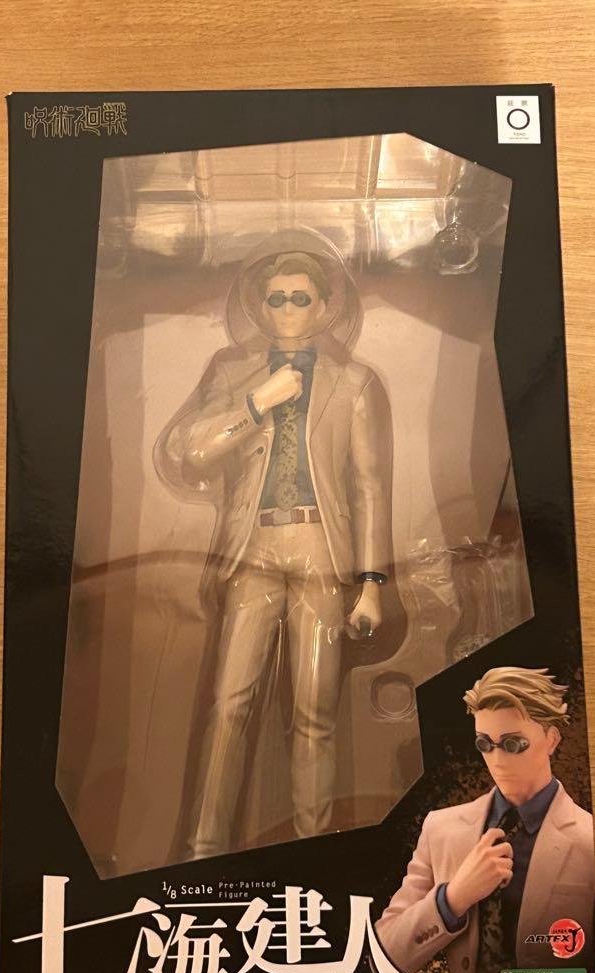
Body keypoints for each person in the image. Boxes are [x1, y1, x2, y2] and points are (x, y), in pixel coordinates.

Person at [161, 245, 393, 860]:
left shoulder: (354, 383)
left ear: (324, 307)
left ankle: (312, 847)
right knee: (228, 704)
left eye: (300, 298)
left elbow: (370, 487)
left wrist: (371, 583)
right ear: (260, 308)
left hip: (322, 549)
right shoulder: (232, 374)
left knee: (316, 711)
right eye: (276, 299)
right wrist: (256, 401)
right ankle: (203, 848)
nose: (287, 309)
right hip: (253, 547)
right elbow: (190, 451)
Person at [374, 667, 595, 973]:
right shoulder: (441, 829)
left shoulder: (590, 839)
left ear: (551, 740)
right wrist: (452, 899)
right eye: (484, 743)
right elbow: (383, 956)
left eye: (514, 744)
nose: (497, 759)